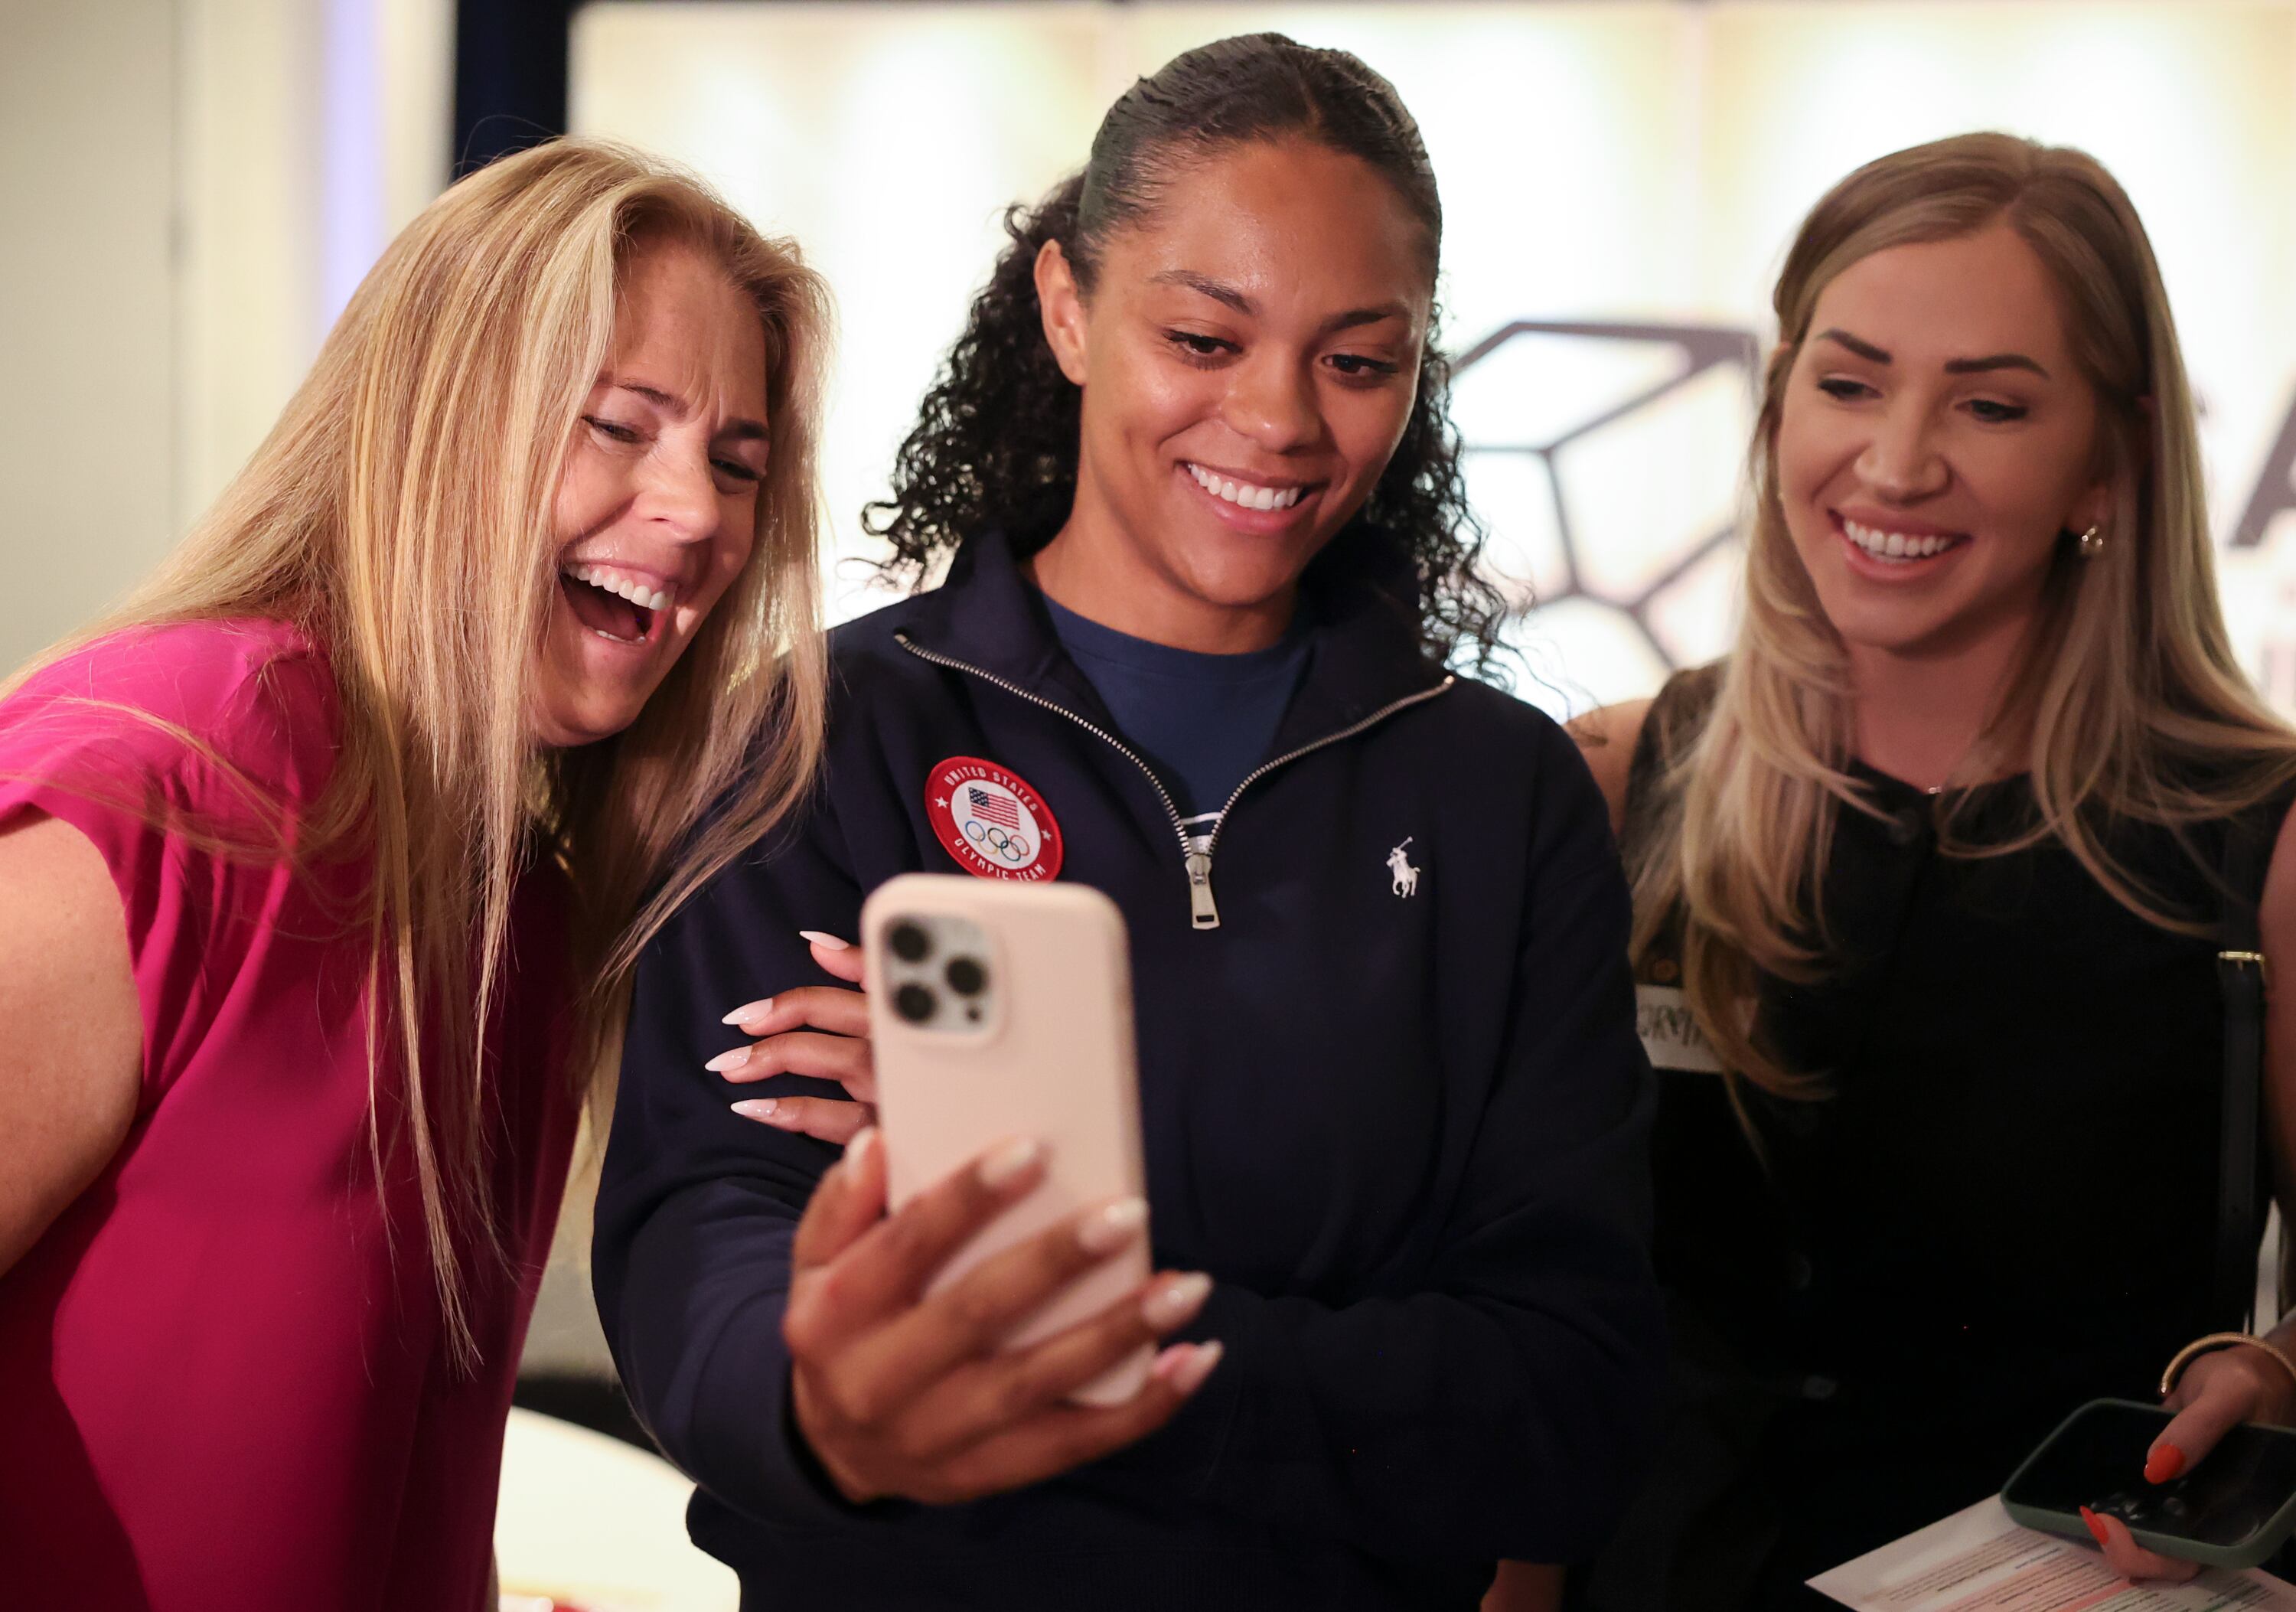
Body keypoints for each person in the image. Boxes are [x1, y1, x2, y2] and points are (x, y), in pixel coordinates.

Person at [593, 32, 1663, 1612]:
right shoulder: (820, 739)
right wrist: (820, 1399)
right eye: (1206, 337)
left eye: (1357, 361)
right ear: (1070, 309)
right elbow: (709, 1238)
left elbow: (1563, 1404)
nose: (1281, 418)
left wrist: (1049, 1239)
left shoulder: (1501, 801)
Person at [0, 139, 831, 1607]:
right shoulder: (178, 775)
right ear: (437, 424)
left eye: (736, 463)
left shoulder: (528, 904)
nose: (697, 512)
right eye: (616, 424)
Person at [1539, 132, 2296, 1610]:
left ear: (2112, 454)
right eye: (1848, 381)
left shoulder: (2257, 839)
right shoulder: (1609, 782)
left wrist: (2271, 1377)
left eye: (1993, 403)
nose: (1894, 462)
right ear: (1774, 408)